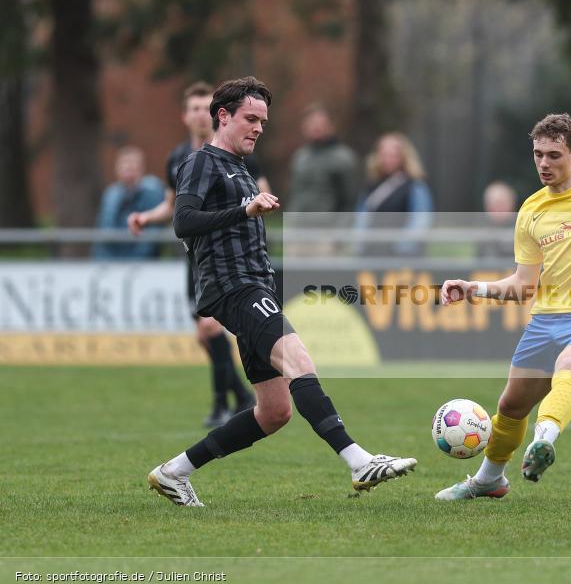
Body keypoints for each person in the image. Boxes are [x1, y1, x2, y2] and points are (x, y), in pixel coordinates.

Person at [147, 77, 416, 507]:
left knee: (274, 412)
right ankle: (358, 460)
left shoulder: (241, 167)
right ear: (224, 116)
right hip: (234, 288)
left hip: (255, 283)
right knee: (299, 359)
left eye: (263, 122)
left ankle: (174, 472)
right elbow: (183, 221)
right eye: (250, 119)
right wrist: (244, 209)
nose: (257, 128)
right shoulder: (203, 163)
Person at [434, 113, 571, 500]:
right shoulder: (531, 210)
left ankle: (543, 442)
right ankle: (490, 480)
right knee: (510, 405)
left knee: (569, 368)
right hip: (545, 321)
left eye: (554, 155)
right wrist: (473, 288)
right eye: (538, 154)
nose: (544, 163)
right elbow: (524, 285)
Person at [128, 81, 260, 428]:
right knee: (205, 335)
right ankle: (243, 397)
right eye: (195, 109)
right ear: (186, 116)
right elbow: (175, 208)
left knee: (210, 328)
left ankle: (221, 405)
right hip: (196, 259)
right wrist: (146, 217)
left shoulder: (239, 152)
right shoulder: (178, 158)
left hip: (230, 260)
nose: (202, 114)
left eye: (206, 107)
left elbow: (257, 194)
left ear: (217, 114)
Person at [354, 132, 433, 256]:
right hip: (373, 252)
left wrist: (402, 247)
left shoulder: (414, 185)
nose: (388, 160)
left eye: (393, 155)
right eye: (384, 155)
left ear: (403, 157)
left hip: (401, 256)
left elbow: (420, 220)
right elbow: (362, 217)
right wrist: (360, 244)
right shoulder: (371, 184)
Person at [93, 146, 164, 259]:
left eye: (133, 164)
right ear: (117, 168)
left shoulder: (153, 193)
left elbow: (152, 236)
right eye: (124, 164)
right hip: (111, 264)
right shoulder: (111, 194)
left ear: (141, 168)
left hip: (144, 264)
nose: (128, 167)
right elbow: (105, 232)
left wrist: (135, 261)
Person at [287, 103, 359, 214]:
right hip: (299, 226)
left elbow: (350, 201)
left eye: (320, 124)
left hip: (327, 228)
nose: (315, 128)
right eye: (311, 123)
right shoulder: (300, 156)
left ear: (331, 126)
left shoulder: (344, 158)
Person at [478, 181, 517, 260]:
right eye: (492, 204)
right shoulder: (481, 232)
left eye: (501, 204)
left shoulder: (523, 230)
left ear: (511, 204)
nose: (496, 208)